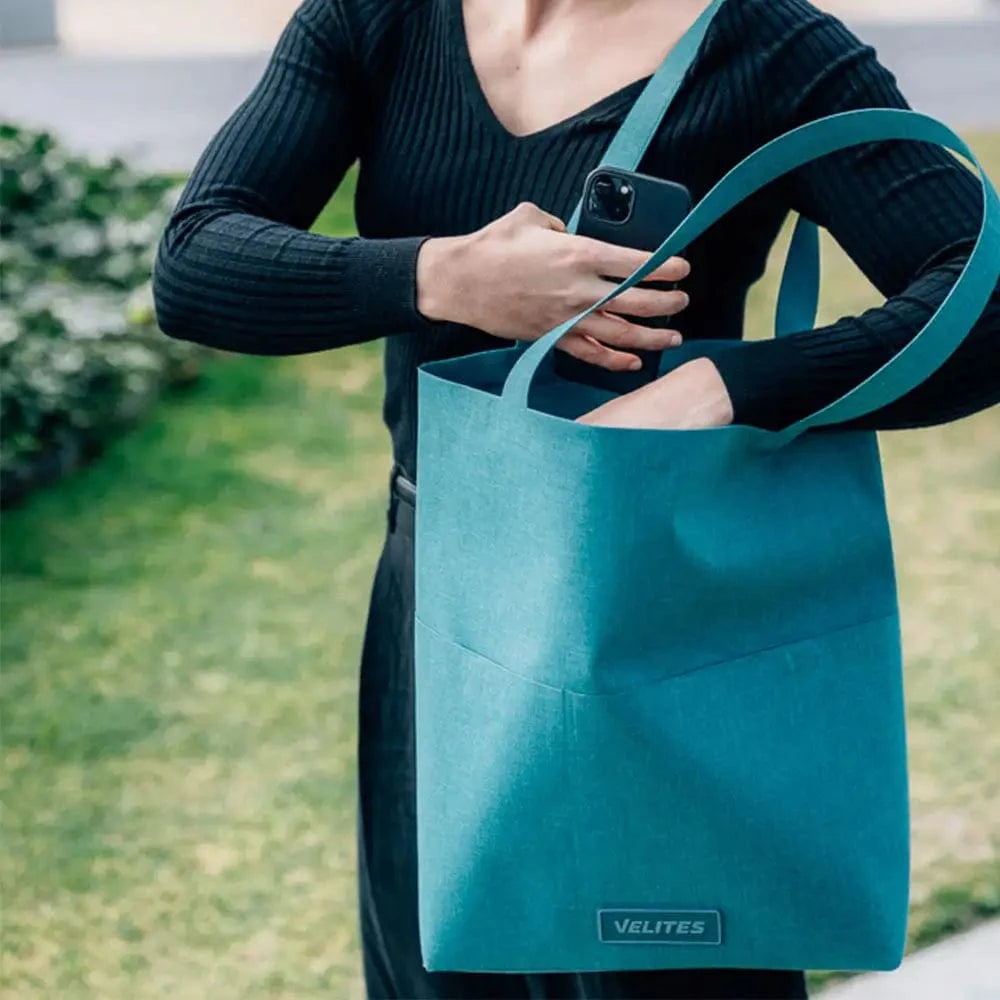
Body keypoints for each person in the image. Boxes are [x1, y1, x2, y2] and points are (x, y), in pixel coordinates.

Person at [152, 0, 1000, 996]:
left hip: (655, 606)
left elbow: (984, 304)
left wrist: (725, 388)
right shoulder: (375, 18)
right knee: (443, 965)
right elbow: (197, 263)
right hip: (438, 594)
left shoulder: (769, 45)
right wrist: (444, 277)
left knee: (665, 971)